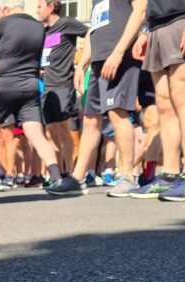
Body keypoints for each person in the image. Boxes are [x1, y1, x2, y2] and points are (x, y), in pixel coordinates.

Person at [46, 0, 148, 198]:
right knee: (90, 119)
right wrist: (82, 64)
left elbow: (140, 10)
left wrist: (118, 53)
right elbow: (94, 27)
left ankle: (128, 176)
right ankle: (77, 179)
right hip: (98, 60)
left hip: (119, 56)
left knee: (117, 113)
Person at [0, 1, 68, 199]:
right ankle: (56, 177)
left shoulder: (3, 23)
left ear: (6, 10)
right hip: (31, 85)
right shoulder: (39, 27)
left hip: (6, 84)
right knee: (37, 135)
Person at [130, 0, 185, 202]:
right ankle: (169, 175)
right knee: (164, 103)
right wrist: (145, 31)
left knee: (184, 96)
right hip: (156, 25)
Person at [37, 0, 88, 175]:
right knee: (51, 131)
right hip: (47, 87)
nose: (37, 11)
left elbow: (90, 34)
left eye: (40, 7)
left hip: (63, 85)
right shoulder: (44, 32)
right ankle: (58, 174)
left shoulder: (67, 23)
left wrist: (82, 63)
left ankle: (69, 172)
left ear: (51, 7)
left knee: (64, 129)